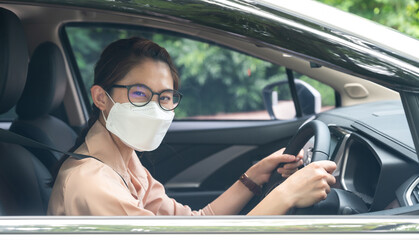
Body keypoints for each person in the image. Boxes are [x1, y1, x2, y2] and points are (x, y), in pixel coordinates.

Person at [47, 37, 336, 216]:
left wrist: (253, 177)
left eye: (165, 97)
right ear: (101, 97)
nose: (155, 108)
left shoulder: (124, 158)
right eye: (139, 93)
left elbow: (193, 225)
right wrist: (285, 196)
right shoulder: (94, 184)